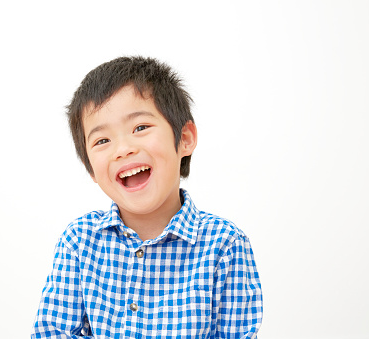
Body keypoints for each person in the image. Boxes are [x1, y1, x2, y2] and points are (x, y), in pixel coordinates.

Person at [31, 56, 262, 338]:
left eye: (140, 128)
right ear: (90, 168)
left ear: (185, 138)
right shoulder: (79, 241)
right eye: (102, 140)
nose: (123, 148)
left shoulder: (225, 245)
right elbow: (51, 333)